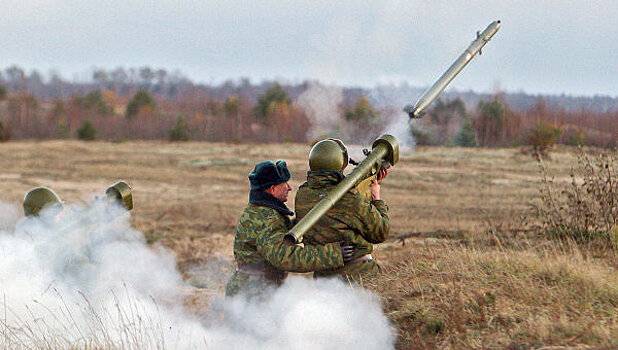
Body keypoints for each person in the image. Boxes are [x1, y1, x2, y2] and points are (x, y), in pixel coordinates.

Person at [225, 159, 355, 298]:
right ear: (272, 189)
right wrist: (332, 254)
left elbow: (280, 236)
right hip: (254, 293)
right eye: (284, 183)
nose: (289, 187)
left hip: (253, 287)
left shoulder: (261, 210)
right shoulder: (267, 217)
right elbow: (284, 257)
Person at [295, 138, 390, 282]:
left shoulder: (302, 195)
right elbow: (380, 232)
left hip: (323, 281)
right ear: (340, 164)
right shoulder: (349, 198)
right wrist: (376, 199)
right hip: (359, 276)